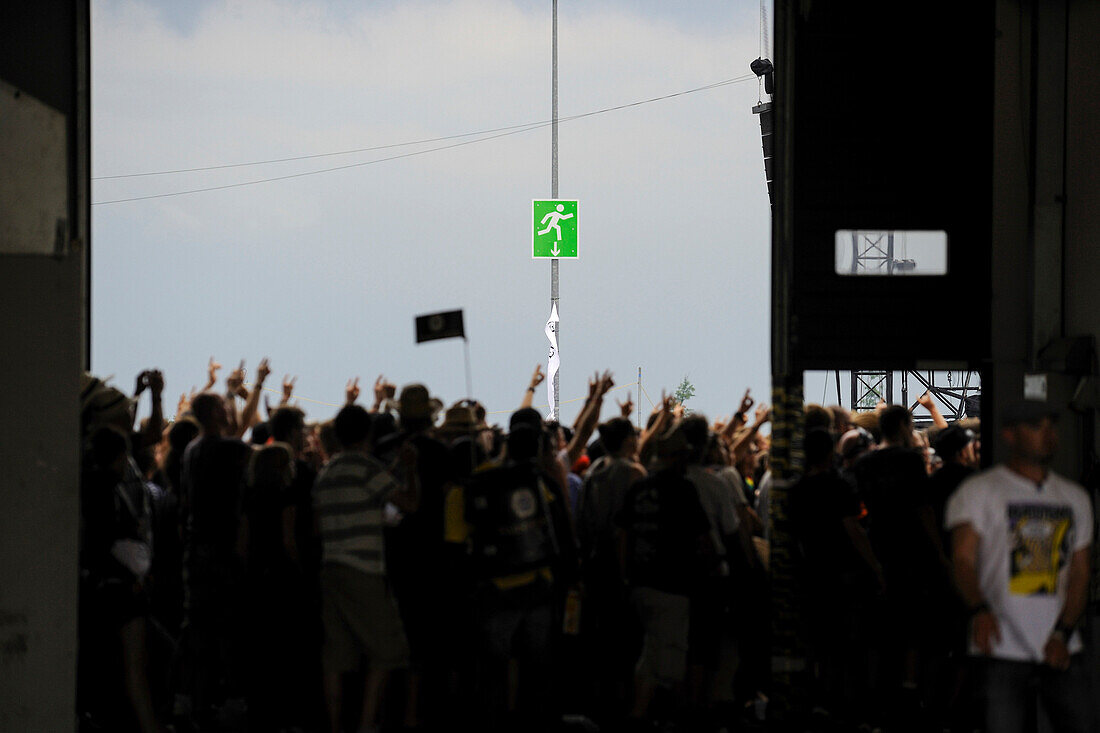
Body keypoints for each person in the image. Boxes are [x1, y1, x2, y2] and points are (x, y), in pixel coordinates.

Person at [946, 404, 1093, 733]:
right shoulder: (979, 492)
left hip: (1059, 645)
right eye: (1036, 426)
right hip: (1001, 644)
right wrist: (979, 610)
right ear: (1010, 435)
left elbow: (1081, 572)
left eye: (1051, 426)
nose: (1049, 435)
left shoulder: (1074, 498)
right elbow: (963, 560)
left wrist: (1063, 632)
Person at [313, 404, 419, 733]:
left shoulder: (325, 474)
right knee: (388, 649)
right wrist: (411, 469)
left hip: (330, 567)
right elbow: (409, 504)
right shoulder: (365, 467)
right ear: (367, 434)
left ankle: (335, 725)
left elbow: (317, 528)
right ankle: (366, 723)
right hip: (363, 568)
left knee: (337, 654)